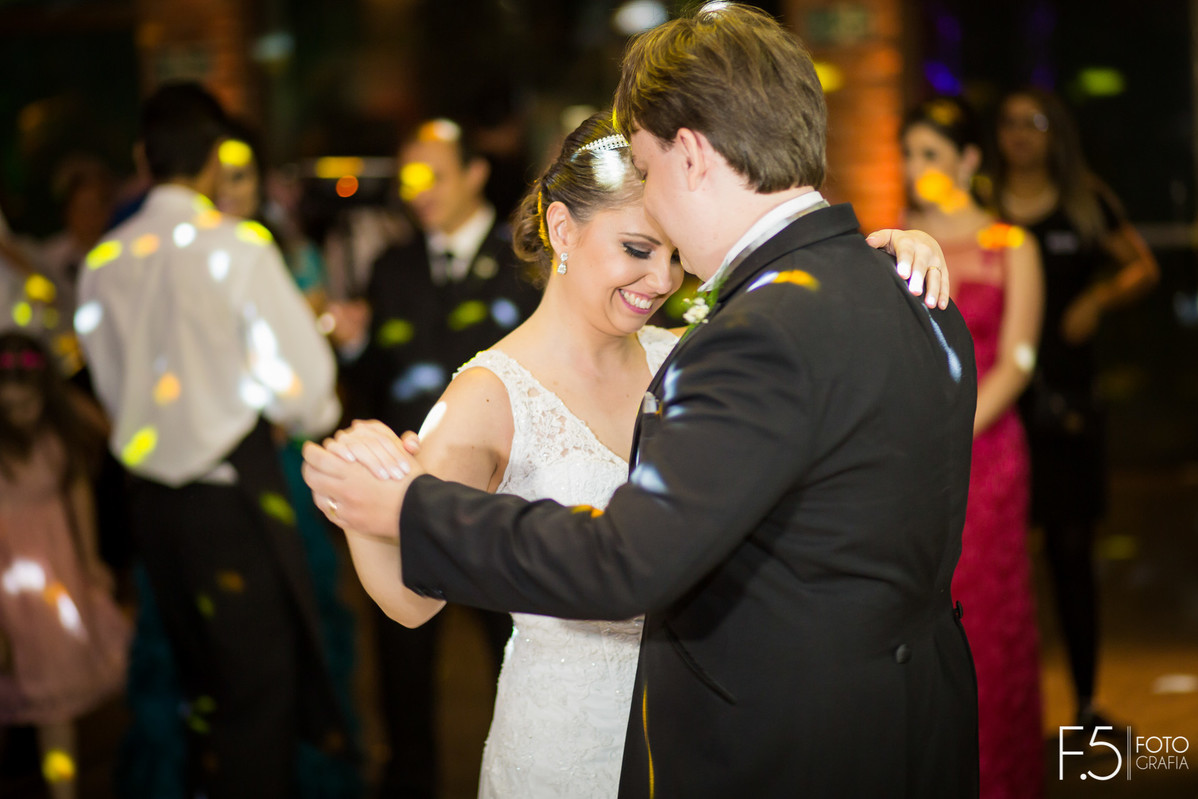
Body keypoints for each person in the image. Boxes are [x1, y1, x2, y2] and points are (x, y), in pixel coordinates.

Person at [304, 5, 979, 797]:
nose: (662, 278)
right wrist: (374, 502)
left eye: (664, 240)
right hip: (590, 740)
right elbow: (412, 604)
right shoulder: (494, 390)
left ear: (690, 155)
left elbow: (630, 557)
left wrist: (410, 508)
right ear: (562, 230)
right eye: (635, 245)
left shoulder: (719, 344)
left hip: (749, 737)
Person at [75, 81, 350, 798]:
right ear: (211, 160)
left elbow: (106, 387)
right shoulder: (236, 246)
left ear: (143, 156)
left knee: (197, 689)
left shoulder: (103, 262)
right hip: (234, 507)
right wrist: (290, 406)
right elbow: (311, 384)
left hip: (152, 510)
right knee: (258, 697)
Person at [329, 117, 540, 799]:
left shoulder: (525, 263)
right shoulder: (391, 266)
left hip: (504, 500)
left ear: (475, 173)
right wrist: (355, 349)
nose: (419, 192)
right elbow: (374, 385)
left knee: (518, 656)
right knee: (402, 664)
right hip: (409, 501)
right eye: (410, 178)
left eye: (435, 175)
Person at [991, 88, 1159, 734]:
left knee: (1069, 553)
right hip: (1000, 402)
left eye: (1033, 123)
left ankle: (1086, 705)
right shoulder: (984, 203)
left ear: (1055, 133)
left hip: (1068, 408)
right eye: (1009, 123)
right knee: (1002, 555)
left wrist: (1098, 299)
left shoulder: (1085, 199)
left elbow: (1142, 266)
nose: (1021, 135)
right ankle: (1001, 705)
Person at [902, 96, 1044, 799]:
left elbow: (1017, 358)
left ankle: (999, 774)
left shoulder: (1010, 244)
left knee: (985, 607)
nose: (915, 167)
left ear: (969, 160)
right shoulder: (893, 243)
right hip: (910, 458)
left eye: (931, 153)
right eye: (909, 154)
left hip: (987, 451)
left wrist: (955, 428)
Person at [0, 331, 130, 799]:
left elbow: (78, 494)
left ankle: (65, 790)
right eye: (9, 409)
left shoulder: (59, 433)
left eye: (28, 404)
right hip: (10, 588)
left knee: (56, 709)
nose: (20, 416)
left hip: (58, 581)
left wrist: (91, 559)